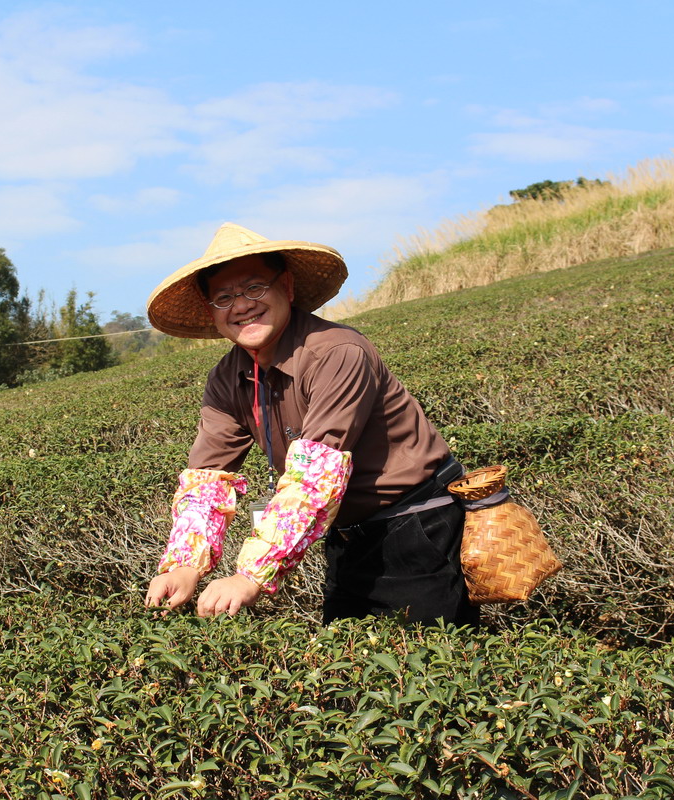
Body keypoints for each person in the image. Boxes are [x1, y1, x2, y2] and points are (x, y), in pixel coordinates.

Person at [143, 223, 477, 627]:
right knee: (349, 669)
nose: (241, 305)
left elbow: (315, 479)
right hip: (344, 535)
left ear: (286, 286)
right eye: (224, 297)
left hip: (414, 528)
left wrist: (251, 575)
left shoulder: (337, 352)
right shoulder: (226, 377)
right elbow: (207, 478)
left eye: (254, 289)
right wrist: (183, 565)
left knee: (430, 667)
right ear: (211, 312)